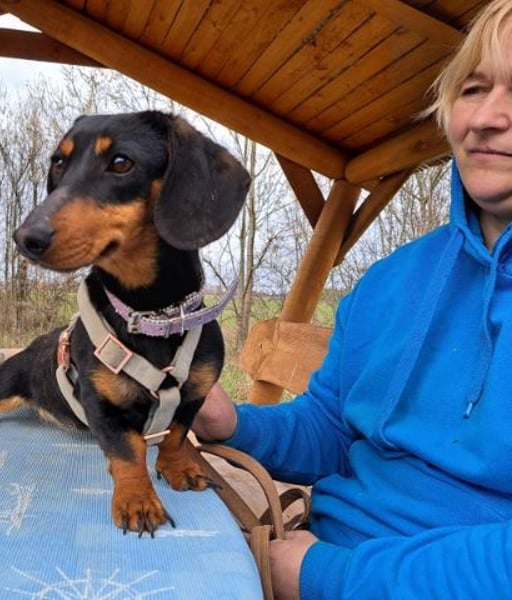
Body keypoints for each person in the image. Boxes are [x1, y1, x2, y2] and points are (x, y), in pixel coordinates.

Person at [192, 1, 512, 598]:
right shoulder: (392, 281)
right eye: (474, 88)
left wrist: (329, 577)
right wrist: (231, 422)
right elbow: (333, 431)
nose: (488, 117)